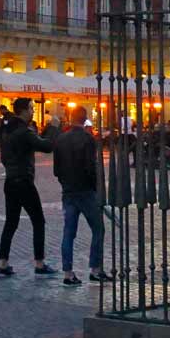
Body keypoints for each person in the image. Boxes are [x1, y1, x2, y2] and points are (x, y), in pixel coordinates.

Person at [0, 96, 56, 278]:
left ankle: (3, 262)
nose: (33, 111)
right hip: (24, 181)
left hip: (10, 181)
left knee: (11, 222)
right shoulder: (23, 131)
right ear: (22, 110)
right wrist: (53, 127)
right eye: (31, 108)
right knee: (38, 221)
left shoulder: (7, 130)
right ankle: (39, 263)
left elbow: (4, 157)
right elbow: (47, 146)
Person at [53, 105, 109, 286]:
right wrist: (94, 187)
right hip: (85, 191)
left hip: (68, 191)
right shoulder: (88, 139)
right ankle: (95, 269)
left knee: (68, 232)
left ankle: (68, 273)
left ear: (70, 117)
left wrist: (65, 183)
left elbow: (56, 169)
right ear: (85, 119)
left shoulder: (60, 139)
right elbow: (90, 167)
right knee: (98, 228)